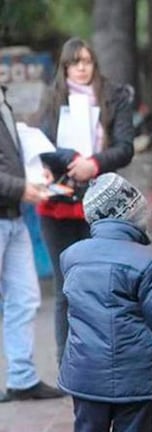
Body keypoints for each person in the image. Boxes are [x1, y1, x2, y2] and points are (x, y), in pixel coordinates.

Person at [58, 173, 152, 432]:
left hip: (84, 376)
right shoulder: (148, 261)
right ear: (133, 214)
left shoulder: (71, 257)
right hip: (133, 379)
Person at [35, 37, 135, 363]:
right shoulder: (51, 99)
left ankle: (103, 357)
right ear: (64, 67)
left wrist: (94, 163)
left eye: (86, 61)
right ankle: (69, 361)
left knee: (102, 283)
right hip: (59, 203)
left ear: (94, 63)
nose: (81, 68)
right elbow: (41, 146)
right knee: (67, 285)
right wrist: (67, 161)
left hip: (101, 200)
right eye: (74, 62)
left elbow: (125, 146)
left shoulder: (114, 97)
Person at [0, 85, 65, 403]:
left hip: (13, 217)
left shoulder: (4, 102)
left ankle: (22, 378)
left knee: (24, 299)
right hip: (9, 208)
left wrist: (36, 174)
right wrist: (21, 187)